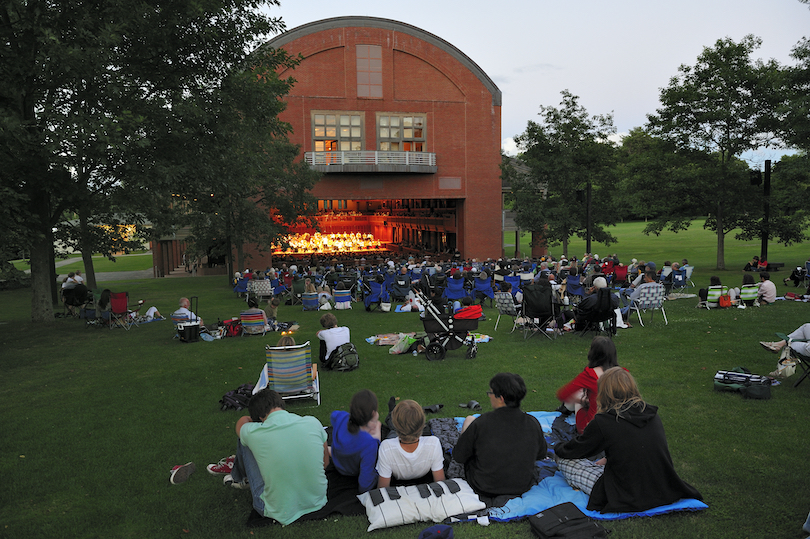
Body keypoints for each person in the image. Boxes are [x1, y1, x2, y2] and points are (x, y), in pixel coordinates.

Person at [555, 368, 702, 513]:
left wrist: (558, 447)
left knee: (564, 460)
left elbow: (575, 450)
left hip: (624, 493)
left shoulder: (604, 422)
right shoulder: (652, 414)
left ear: (603, 392)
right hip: (661, 486)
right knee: (601, 460)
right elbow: (635, 444)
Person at [222, 388, 329, 526]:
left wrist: (253, 421)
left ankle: (239, 477)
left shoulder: (254, 432)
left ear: (260, 417)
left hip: (278, 510)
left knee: (243, 439)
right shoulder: (313, 422)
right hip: (318, 500)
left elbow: (241, 423)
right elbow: (325, 463)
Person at [452, 373, 547, 499]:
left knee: (469, 420)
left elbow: (459, 456)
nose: (489, 396)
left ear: (501, 398)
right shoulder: (532, 423)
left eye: (490, 393)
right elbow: (541, 454)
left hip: (483, 486)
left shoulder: (482, 423)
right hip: (521, 486)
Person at [556, 337, 621, 434]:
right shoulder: (622, 374)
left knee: (579, 395)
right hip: (617, 424)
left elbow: (562, 394)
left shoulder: (590, 375)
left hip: (591, 428)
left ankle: (567, 409)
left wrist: (583, 401)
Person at [376, 400, 445, 488]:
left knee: (393, 432)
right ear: (422, 423)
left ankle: (391, 415)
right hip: (408, 436)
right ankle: (391, 415)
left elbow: (382, 489)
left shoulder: (386, 448)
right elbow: (440, 483)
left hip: (395, 440)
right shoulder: (433, 443)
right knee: (397, 431)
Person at [330, 389, 382, 493]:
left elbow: (333, 415)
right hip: (351, 471)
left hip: (338, 462)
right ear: (373, 413)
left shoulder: (342, 417)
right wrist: (377, 435)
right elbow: (365, 483)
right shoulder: (369, 444)